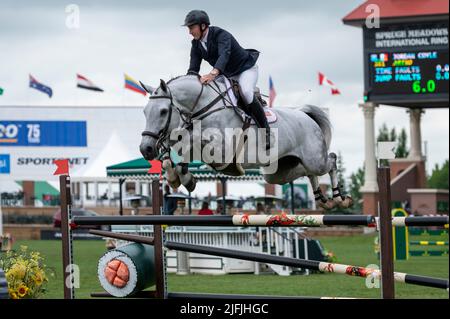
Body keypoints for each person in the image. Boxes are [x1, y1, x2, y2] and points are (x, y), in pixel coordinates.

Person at [183, 10, 271, 150]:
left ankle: (266, 131)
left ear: (203, 26)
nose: (189, 32)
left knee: (246, 92)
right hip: (227, 74)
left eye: (191, 27)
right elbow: (193, 67)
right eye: (189, 28)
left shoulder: (221, 35)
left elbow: (225, 55)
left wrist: (213, 73)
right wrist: (188, 83)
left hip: (245, 69)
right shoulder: (196, 44)